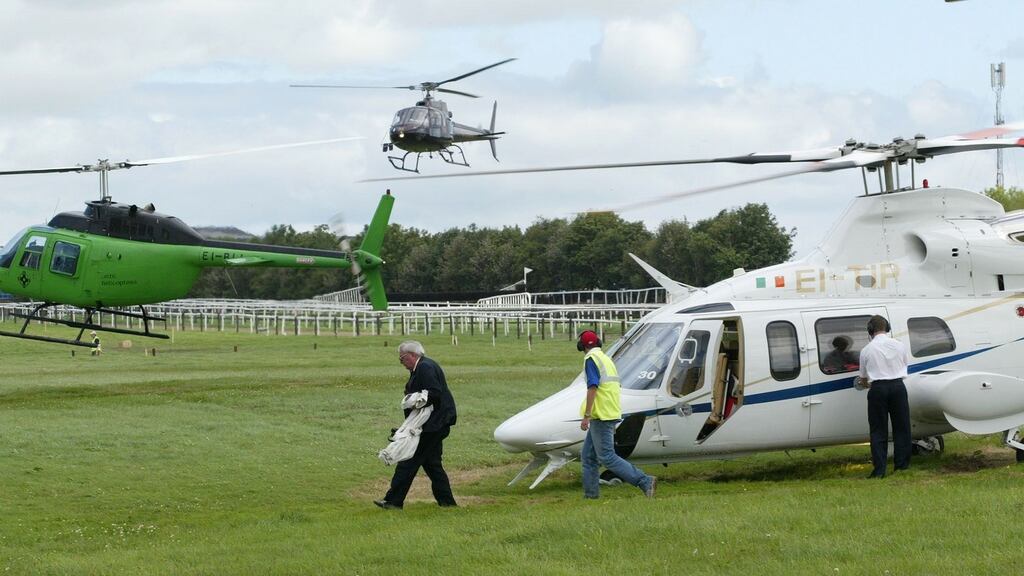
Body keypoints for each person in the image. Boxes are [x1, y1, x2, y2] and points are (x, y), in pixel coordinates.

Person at [375, 340, 458, 510]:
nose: (402, 363)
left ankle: (393, 501)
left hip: (433, 425)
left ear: (413, 355)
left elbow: (434, 393)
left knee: (408, 460)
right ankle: (448, 503)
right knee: (433, 465)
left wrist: (413, 401)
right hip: (434, 424)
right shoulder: (421, 367)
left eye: (402, 359)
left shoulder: (425, 367)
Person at [577, 330, 657, 499]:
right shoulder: (606, 359)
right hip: (609, 411)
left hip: (601, 414)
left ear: (581, 346)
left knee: (607, 457)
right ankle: (590, 496)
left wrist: (587, 415)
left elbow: (593, 387)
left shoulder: (591, 360)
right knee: (588, 457)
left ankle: (644, 481)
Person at [857, 315, 911, 478]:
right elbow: (904, 364)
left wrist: (867, 385)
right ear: (887, 328)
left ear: (870, 330)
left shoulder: (866, 350)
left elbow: (863, 378)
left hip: (878, 389)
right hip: (898, 387)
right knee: (902, 427)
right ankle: (901, 466)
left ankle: (879, 470)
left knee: (878, 430)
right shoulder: (899, 345)